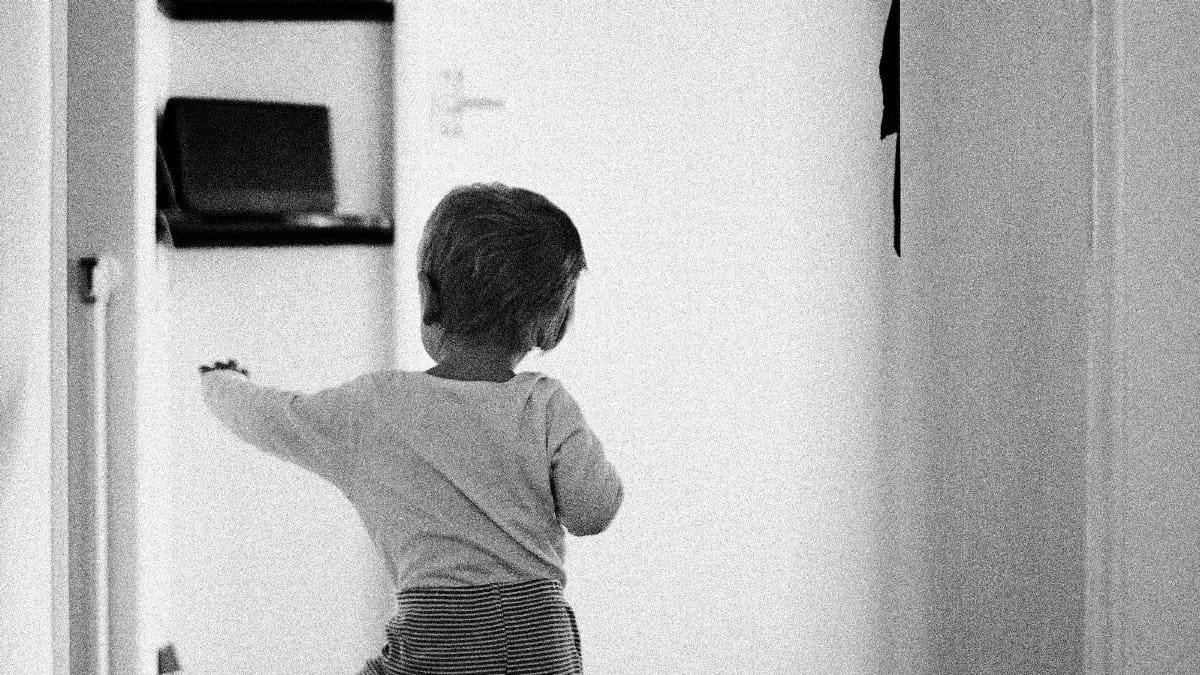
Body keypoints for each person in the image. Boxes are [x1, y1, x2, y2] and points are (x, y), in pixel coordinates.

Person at [200, 183, 624, 674]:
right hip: (536, 642)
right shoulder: (547, 405)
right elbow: (593, 512)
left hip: (435, 638)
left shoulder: (376, 408)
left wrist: (223, 383)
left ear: (427, 294)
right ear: (552, 323)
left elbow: (270, 418)